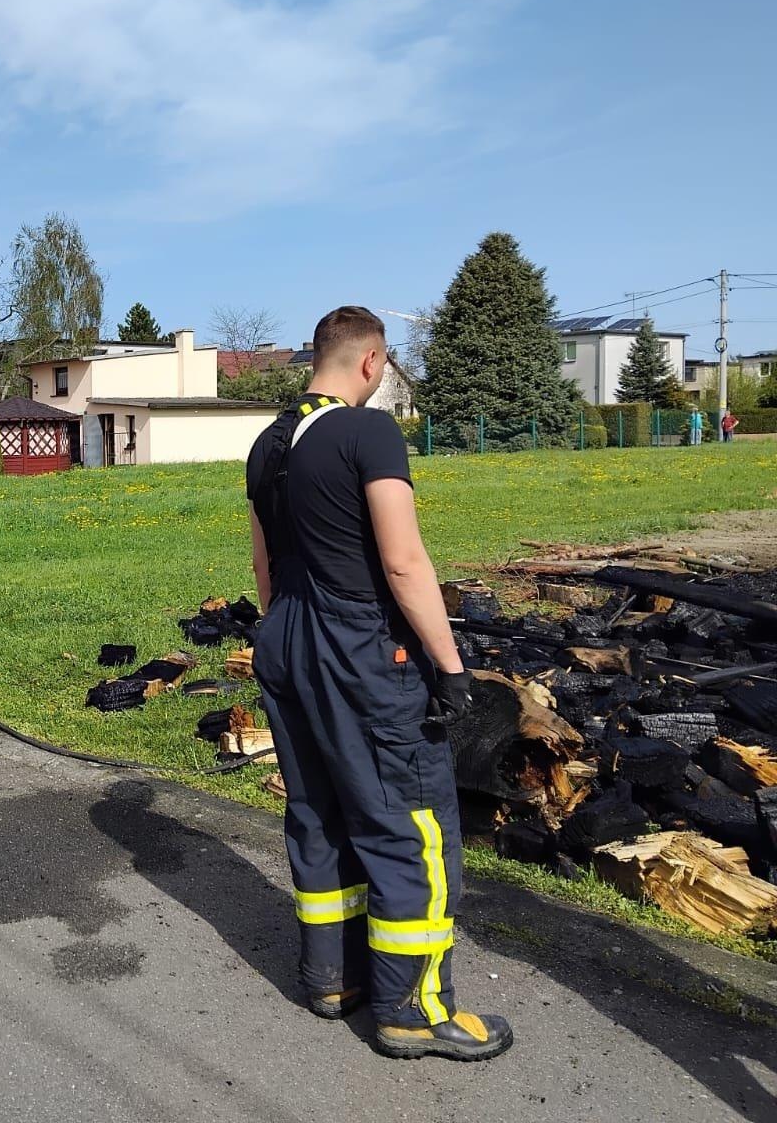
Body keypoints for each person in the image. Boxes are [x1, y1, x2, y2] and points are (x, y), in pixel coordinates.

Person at [245, 305, 512, 1062]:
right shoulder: (370, 431)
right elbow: (402, 560)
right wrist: (451, 667)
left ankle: (332, 979)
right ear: (371, 363)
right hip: (359, 644)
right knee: (410, 824)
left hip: (286, 634)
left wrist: (286, 639)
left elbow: (264, 564)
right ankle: (416, 1012)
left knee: (320, 808)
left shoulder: (266, 446)